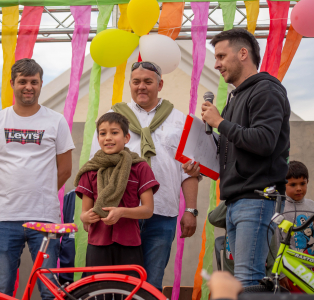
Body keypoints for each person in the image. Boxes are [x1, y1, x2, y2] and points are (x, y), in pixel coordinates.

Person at [184, 28, 290, 287]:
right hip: (237, 200)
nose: (216, 64)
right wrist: (203, 156)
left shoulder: (265, 90)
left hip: (257, 198)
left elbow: (264, 141)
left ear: (243, 53)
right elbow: (237, 145)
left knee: (248, 279)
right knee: (241, 279)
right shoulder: (236, 97)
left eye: (221, 56)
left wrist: (220, 122)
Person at [90, 61, 199, 290]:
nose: (142, 86)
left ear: (160, 84)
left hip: (162, 213)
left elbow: (187, 171)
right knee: (119, 282)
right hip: (119, 214)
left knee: (152, 282)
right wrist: (93, 211)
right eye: (136, 81)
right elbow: (96, 167)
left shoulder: (179, 120)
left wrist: (190, 210)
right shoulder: (112, 119)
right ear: (130, 84)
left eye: (148, 82)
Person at [0, 58, 74, 300]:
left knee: (50, 292)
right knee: (2, 291)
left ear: (41, 84)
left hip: (45, 220)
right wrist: (11, 191)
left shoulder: (56, 121)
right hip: (5, 219)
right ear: (12, 83)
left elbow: (65, 170)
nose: (28, 86)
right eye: (22, 81)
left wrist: (40, 192)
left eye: (34, 81)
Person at [75, 112, 159, 278]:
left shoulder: (140, 168)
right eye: (103, 133)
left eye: (114, 132)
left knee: (129, 293)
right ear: (98, 138)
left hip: (129, 243)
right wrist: (86, 217)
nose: (108, 138)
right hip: (97, 243)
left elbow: (148, 210)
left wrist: (122, 212)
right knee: (97, 293)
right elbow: (84, 213)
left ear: (126, 137)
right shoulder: (90, 170)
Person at [278, 161, 314, 293]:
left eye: (302, 184)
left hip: (311, 265)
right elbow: (277, 243)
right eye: (293, 184)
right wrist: (281, 274)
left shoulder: (312, 206)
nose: (299, 188)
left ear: (307, 182)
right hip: (292, 270)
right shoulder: (280, 208)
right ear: (283, 185)